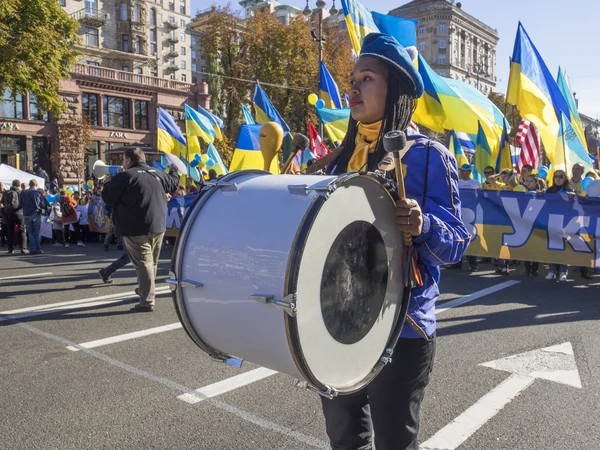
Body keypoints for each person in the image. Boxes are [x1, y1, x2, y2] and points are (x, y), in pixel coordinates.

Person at [307, 33, 469, 449]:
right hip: (336, 320)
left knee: (396, 440)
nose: (353, 87)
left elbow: (455, 244)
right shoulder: (337, 158)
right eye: (353, 79)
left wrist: (424, 225)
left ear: (394, 88)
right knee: (345, 436)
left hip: (402, 326)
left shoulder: (429, 155)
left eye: (366, 78)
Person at [102, 147, 179, 312]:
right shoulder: (157, 173)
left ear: (129, 160)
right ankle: (146, 290)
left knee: (144, 263)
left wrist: (108, 182)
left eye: (123, 159)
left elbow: (108, 198)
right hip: (158, 225)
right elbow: (173, 183)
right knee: (152, 262)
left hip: (135, 227)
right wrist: (174, 172)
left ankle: (147, 300)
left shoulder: (125, 176)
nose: (123, 163)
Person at [448, 164, 480, 271]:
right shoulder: (458, 183)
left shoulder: (475, 184)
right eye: (461, 170)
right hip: (459, 214)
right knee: (458, 237)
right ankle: (457, 262)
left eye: (465, 171)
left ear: (470, 172)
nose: (462, 173)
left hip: (472, 215)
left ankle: (473, 264)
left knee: (471, 238)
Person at [545, 170, 574, 281]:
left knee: (563, 247)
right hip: (551, 221)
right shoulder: (549, 190)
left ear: (564, 178)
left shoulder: (569, 191)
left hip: (565, 223)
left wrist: (573, 197)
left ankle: (563, 271)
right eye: (556, 176)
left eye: (560, 176)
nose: (558, 178)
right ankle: (552, 270)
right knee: (552, 247)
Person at [21, 179, 48, 254]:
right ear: (36, 185)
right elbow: (44, 204)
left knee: (30, 232)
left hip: (26, 214)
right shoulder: (38, 193)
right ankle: (38, 248)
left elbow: (21, 203)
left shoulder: (24, 193)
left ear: (29, 185)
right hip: (36, 214)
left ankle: (33, 248)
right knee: (37, 232)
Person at [3, 180, 28, 254]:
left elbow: (2, 203)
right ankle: (23, 248)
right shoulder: (20, 192)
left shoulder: (6, 192)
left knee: (10, 231)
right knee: (22, 230)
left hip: (9, 213)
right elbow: (24, 203)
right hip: (19, 213)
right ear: (18, 185)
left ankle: (10, 248)